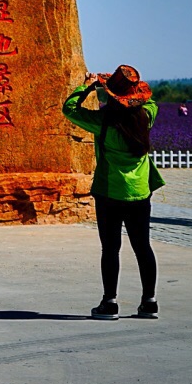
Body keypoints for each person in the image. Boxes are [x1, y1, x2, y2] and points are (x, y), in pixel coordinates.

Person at [62, 65, 164, 320]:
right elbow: (151, 103)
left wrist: (87, 86)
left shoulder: (103, 122)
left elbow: (69, 109)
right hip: (140, 192)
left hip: (109, 192)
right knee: (143, 247)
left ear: (110, 95)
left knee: (111, 249)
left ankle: (110, 303)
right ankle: (149, 302)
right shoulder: (146, 117)